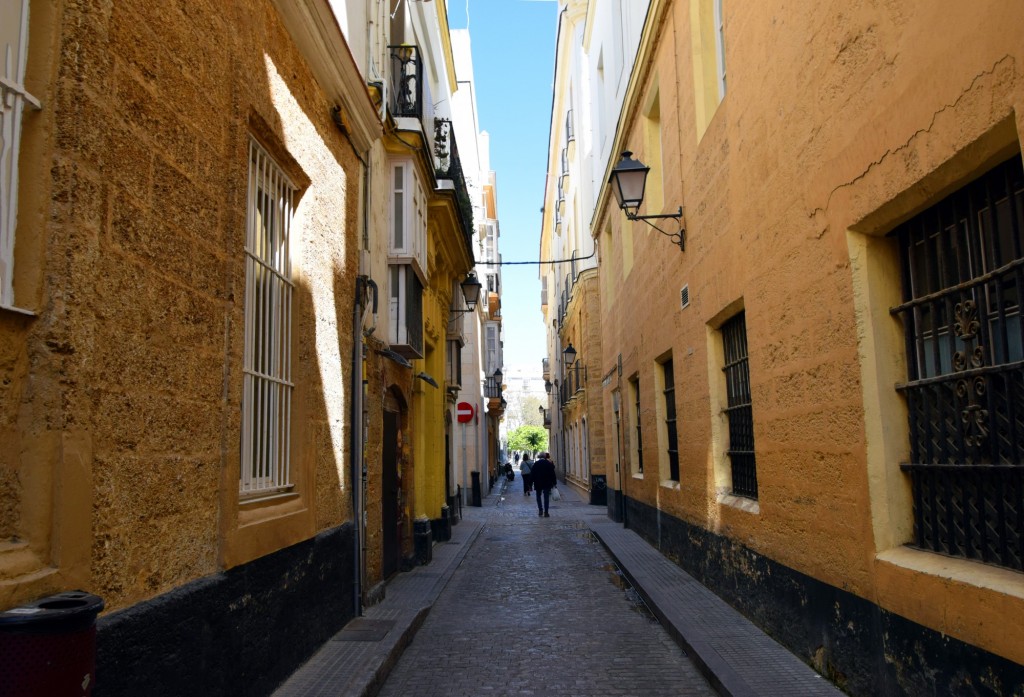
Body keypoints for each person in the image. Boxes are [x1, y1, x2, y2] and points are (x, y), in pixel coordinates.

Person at [531, 452, 556, 517]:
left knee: (538, 496)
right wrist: (554, 482)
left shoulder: (536, 464)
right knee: (546, 497)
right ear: (545, 457)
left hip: (538, 482)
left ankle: (540, 510)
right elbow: (552, 473)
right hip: (547, 482)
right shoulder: (548, 463)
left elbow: (532, 473)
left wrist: (531, 483)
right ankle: (546, 512)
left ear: (539, 457)